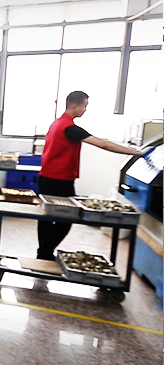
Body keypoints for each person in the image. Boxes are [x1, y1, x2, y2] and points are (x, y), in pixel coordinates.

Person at [37, 90, 143, 260]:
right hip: (60, 181)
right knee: (66, 220)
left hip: (46, 177)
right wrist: (137, 153)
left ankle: (44, 253)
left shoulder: (57, 123)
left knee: (47, 217)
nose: (85, 110)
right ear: (74, 106)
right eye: (84, 106)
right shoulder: (70, 128)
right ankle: (44, 253)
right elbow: (103, 144)